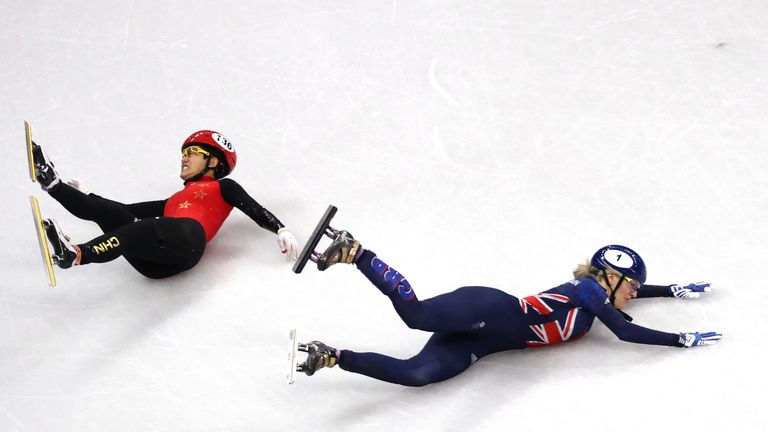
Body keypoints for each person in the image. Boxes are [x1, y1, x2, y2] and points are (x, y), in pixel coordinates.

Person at [295, 230, 722, 387]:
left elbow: (626, 302)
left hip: (485, 341)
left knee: (416, 375)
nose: (635, 292)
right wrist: (679, 339)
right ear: (610, 278)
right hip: (488, 308)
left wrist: (672, 289)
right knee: (417, 315)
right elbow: (627, 332)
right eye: (633, 286)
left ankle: (332, 356)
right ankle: (357, 252)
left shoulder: (599, 294)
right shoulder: (591, 293)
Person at [31, 130, 299, 279]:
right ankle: (51, 182)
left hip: (189, 240)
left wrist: (281, 229)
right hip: (154, 265)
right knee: (113, 215)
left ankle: (76, 254)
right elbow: (126, 211)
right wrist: (87, 195)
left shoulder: (222, 187)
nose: (184, 159)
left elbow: (252, 207)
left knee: (138, 229)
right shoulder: (172, 201)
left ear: (213, 162)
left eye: (193, 153)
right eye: (183, 154)